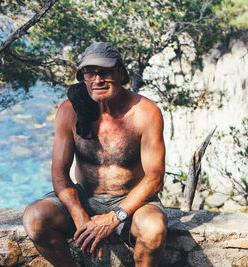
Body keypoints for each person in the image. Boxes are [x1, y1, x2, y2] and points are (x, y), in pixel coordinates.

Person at [23, 42, 167, 267]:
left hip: (132, 201)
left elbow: (155, 178)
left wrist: (114, 217)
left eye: (105, 72)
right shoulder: (69, 111)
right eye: (89, 73)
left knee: (154, 229)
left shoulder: (146, 113)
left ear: (121, 73)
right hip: (85, 196)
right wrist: (80, 216)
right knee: (35, 218)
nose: (97, 80)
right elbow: (60, 173)